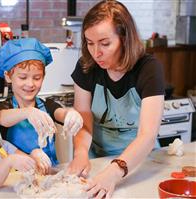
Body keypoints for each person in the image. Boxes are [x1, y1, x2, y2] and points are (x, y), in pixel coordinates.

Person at [67, 0, 165, 198]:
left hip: (140, 161)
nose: (96, 53)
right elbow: (83, 115)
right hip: (98, 160)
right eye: (90, 43)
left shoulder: (148, 69)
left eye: (105, 43)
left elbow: (147, 135)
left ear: (124, 39)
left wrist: (114, 171)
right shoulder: (86, 66)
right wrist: (80, 153)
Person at [0, 38, 83, 175]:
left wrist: (71, 114)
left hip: (50, 173)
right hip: (19, 177)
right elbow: (1, 118)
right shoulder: (5, 108)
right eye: (23, 77)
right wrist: (27, 112)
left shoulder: (47, 105)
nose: (30, 84)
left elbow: (61, 113)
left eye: (37, 78)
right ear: (8, 76)